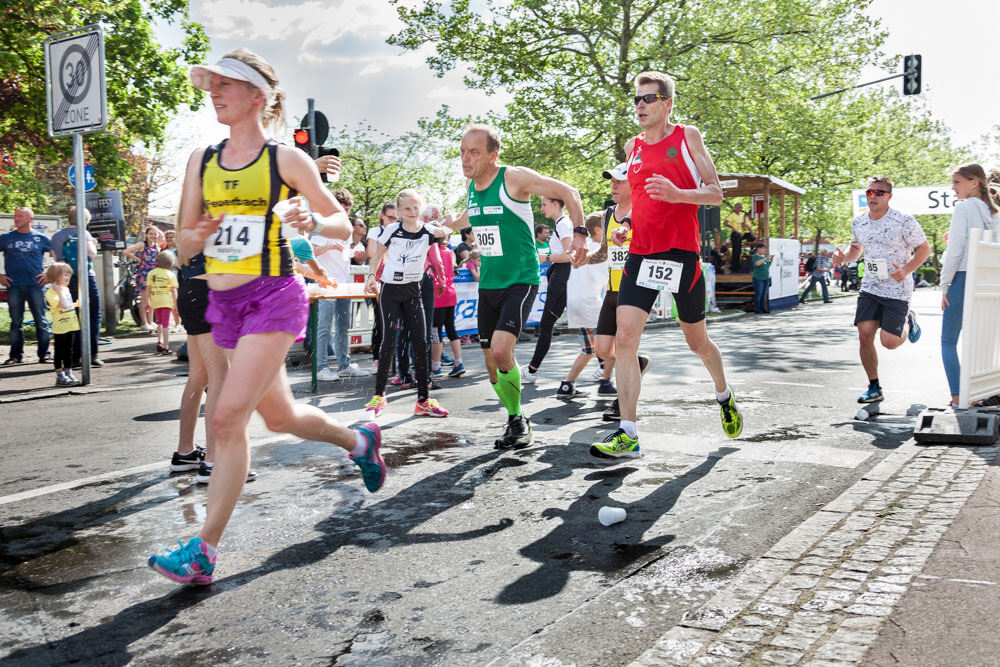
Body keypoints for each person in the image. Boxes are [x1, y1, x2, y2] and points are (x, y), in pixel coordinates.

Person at [147, 49, 386, 586]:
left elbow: (343, 228)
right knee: (278, 417)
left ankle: (202, 552)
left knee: (227, 417)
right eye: (210, 83)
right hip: (222, 303)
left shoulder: (285, 160)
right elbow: (182, 243)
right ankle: (360, 441)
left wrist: (310, 221)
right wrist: (199, 235)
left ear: (257, 96)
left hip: (274, 297)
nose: (213, 91)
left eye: (225, 84)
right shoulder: (200, 161)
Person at [591, 71, 743, 460]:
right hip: (641, 254)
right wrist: (621, 227)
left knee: (697, 342)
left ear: (667, 103)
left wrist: (678, 195)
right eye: (637, 99)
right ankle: (628, 433)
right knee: (625, 340)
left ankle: (723, 395)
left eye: (648, 98)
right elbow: (637, 199)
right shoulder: (633, 147)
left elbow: (715, 193)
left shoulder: (687, 137)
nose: (640, 105)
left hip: (681, 254)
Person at [442, 124, 585, 449]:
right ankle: (515, 418)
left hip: (521, 280)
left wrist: (578, 232)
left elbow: (569, 192)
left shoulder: (513, 178)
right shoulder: (472, 185)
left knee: (502, 349)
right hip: (488, 284)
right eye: (462, 151)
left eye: (474, 152)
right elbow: (472, 217)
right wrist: (452, 223)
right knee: (492, 367)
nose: (466, 158)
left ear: (493, 155)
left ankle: (518, 420)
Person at [832, 175, 930, 405]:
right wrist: (843, 258)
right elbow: (856, 248)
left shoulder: (903, 221)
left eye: (879, 192)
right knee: (864, 335)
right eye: (869, 192)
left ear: (889, 196)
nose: (873, 196)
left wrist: (906, 270)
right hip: (871, 286)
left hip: (897, 289)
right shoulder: (859, 222)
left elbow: (924, 249)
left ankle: (909, 320)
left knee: (890, 342)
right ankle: (874, 386)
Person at [363, 189, 451, 418]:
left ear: (421, 209)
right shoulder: (392, 230)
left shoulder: (429, 231)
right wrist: (371, 277)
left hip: (414, 291)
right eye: (407, 209)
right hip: (391, 292)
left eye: (415, 208)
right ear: (399, 211)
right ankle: (379, 396)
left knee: (421, 343)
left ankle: (423, 399)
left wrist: (450, 224)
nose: (412, 213)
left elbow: (447, 230)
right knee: (389, 341)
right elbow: (376, 257)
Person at [587, 162, 649, 421]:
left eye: (619, 181)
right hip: (612, 290)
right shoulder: (608, 214)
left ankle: (623, 407)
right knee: (601, 348)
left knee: (623, 347)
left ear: (632, 184)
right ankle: (637, 363)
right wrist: (582, 259)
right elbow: (604, 252)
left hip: (633, 290)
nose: (613, 185)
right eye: (611, 181)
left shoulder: (643, 211)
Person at [940, 163, 999, 406]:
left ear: (974, 182)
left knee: (948, 340)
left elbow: (955, 250)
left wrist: (944, 284)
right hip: (989, 280)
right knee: (983, 338)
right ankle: (983, 391)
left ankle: (958, 395)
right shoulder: (994, 212)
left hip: (963, 278)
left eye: (956, 182)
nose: (952, 188)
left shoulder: (964, 208)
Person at [520, 196, 575, 383]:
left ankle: (532, 371)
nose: (541, 209)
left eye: (544, 205)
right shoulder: (562, 223)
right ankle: (604, 367)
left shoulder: (562, 224)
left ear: (555, 204)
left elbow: (570, 255)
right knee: (583, 324)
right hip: (562, 277)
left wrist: (547, 258)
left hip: (563, 278)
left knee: (546, 326)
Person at [556, 214, 608, 398]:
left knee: (592, 348)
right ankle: (604, 380)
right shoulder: (598, 250)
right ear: (599, 230)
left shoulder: (584, 249)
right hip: (589, 303)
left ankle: (569, 384)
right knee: (606, 345)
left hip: (579, 301)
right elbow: (605, 280)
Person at [312, 218, 368, 382]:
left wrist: (353, 254)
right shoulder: (323, 227)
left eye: (348, 210)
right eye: (343, 209)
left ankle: (344, 365)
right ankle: (321, 367)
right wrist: (329, 246)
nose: (345, 213)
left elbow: (342, 255)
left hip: (343, 283)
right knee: (324, 326)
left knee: (343, 326)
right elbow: (311, 251)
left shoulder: (347, 230)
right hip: (326, 283)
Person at [51, 206, 104, 367]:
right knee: (93, 316)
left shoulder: (57, 236)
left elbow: (55, 259)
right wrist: (93, 242)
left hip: (65, 280)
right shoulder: (84, 233)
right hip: (86, 277)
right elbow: (92, 253)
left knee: (71, 317)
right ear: (85, 220)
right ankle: (91, 355)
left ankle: (72, 357)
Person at [0, 207, 52, 365]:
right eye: (15, 216)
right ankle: (15, 356)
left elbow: (57, 256)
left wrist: (49, 273)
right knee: (16, 322)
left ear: (31, 219)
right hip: (14, 285)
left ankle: (45, 354)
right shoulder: (6, 237)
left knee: (41, 321)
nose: (16, 219)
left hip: (36, 285)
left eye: (20, 216)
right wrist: (0, 275)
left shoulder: (41, 238)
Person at [430, 231, 466, 378]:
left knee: (435, 331)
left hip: (436, 293)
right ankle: (459, 362)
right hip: (450, 292)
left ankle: (436, 367)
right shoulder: (449, 251)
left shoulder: (431, 251)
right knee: (451, 328)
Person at [366, 203, 396, 373]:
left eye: (395, 218)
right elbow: (371, 253)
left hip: (395, 279)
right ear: (382, 216)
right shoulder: (375, 232)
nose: (393, 220)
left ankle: (395, 360)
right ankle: (377, 359)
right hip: (378, 280)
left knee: (394, 323)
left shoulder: (399, 229)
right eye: (390, 217)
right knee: (379, 320)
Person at [44, 262, 80, 386]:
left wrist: (77, 304)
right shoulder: (51, 292)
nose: (67, 278)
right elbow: (63, 305)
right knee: (59, 351)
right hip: (60, 326)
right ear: (55, 276)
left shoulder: (66, 289)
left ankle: (68, 372)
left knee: (69, 351)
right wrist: (58, 291)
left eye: (69, 275)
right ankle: (60, 376)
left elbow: (69, 305)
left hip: (71, 324)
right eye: (65, 275)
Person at [123, 226, 164, 330]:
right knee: (144, 300)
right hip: (144, 275)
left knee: (152, 300)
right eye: (151, 233)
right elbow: (126, 251)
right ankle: (144, 323)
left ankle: (151, 322)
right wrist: (138, 259)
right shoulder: (142, 244)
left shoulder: (157, 247)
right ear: (146, 234)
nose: (153, 236)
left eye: (155, 234)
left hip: (154, 275)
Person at [145, 250, 180, 355]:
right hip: (166, 301)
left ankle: (159, 342)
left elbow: (148, 289)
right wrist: (176, 304)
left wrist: (147, 302)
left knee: (159, 322)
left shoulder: (151, 273)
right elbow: (173, 290)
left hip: (155, 299)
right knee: (166, 324)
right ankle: (166, 347)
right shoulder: (171, 274)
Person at [751, 242, 773, 314]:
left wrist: (771, 261)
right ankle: (757, 309)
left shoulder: (764, 256)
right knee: (759, 293)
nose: (764, 250)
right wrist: (766, 258)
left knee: (764, 294)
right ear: (758, 249)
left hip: (766, 277)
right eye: (763, 248)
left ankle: (763, 308)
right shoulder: (755, 256)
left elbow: (767, 266)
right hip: (758, 278)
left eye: (765, 248)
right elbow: (757, 264)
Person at [724, 203, 745, 273]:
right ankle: (733, 268)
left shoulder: (740, 216)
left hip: (739, 234)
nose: (740, 209)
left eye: (741, 207)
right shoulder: (732, 215)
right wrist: (733, 227)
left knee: (739, 252)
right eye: (739, 207)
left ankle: (737, 267)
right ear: (735, 208)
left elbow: (742, 225)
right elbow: (725, 223)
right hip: (735, 234)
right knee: (735, 251)